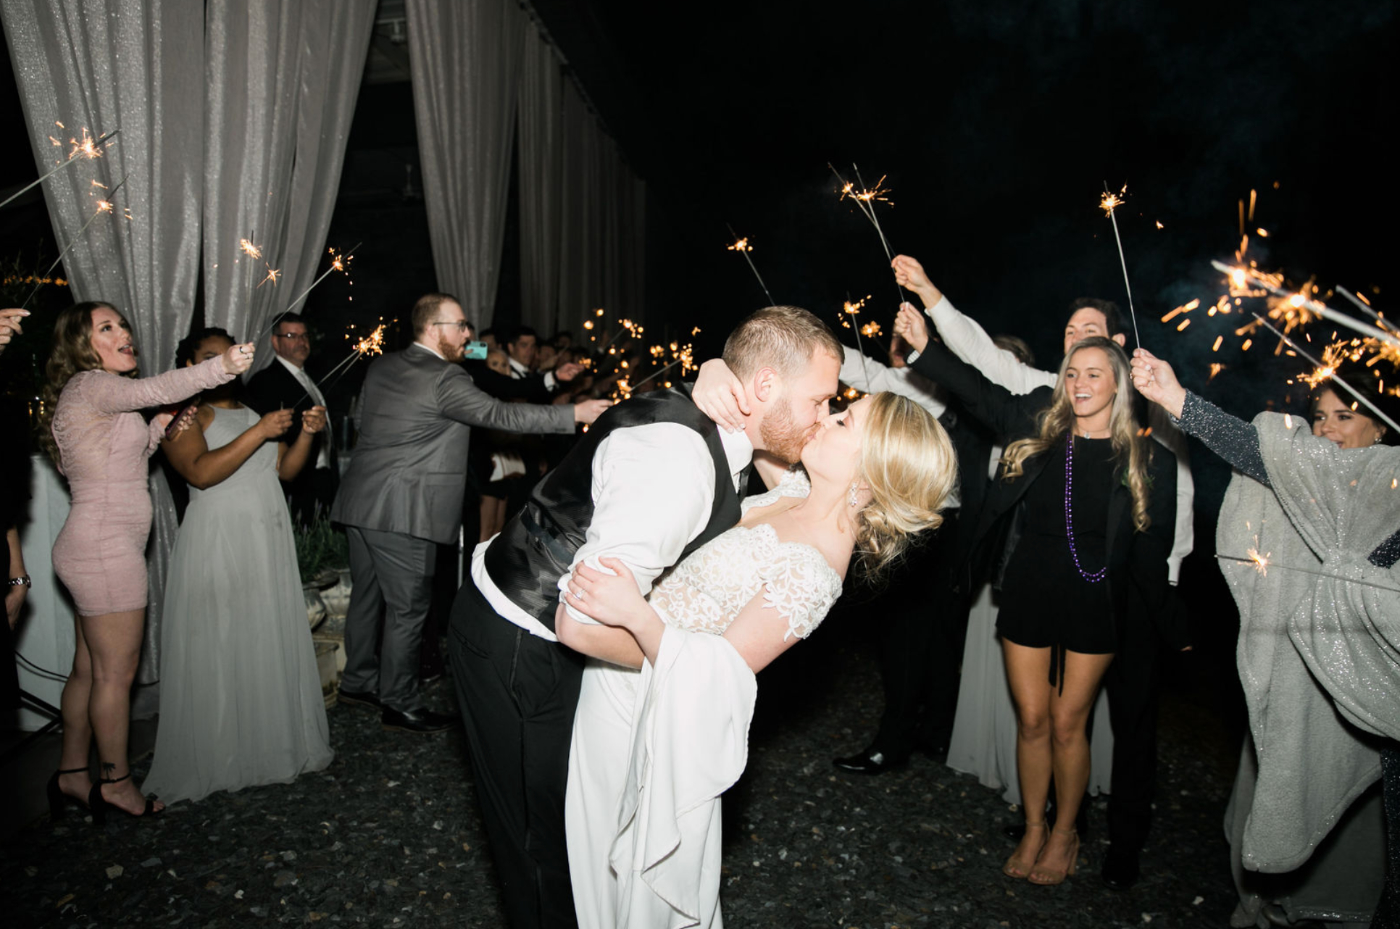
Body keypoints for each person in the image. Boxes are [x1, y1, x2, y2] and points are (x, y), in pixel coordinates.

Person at [449, 305, 843, 929]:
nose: (824, 416)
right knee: (542, 851)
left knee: (576, 845)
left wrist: (714, 366)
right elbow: (584, 621)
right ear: (764, 388)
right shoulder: (675, 463)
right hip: (524, 640)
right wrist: (687, 662)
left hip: (558, 640)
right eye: (820, 400)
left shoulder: (723, 431)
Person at [563, 391, 957, 928]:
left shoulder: (815, 571)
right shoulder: (797, 489)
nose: (825, 417)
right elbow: (760, 420)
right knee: (592, 862)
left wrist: (636, 615)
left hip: (652, 712)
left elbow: (721, 672)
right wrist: (720, 374)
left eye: (844, 422)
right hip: (617, 677)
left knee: (629, 884)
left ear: (869, 476)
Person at [893, 254, 1193, 889]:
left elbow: (1149, 555)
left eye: (1094, 372)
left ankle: (1067, 831)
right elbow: (979, 391)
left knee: (1067, 722)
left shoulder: (1147, 458)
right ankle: (1033, 825)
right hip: (1028, 587)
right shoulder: (1036, 417)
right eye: (1072, 371)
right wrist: (923, 350)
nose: (1080, 381)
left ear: (1118, 383)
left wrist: (1176, 626)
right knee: (1031, 719)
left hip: (1094, 600)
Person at [1130, 349, 1398, 929]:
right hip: (1301, 687)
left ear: (1381, 424)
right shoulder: (1318, 479)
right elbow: (1266, 455)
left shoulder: (1387, 483)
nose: (1325, 429)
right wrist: (1178, 401)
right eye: (1320, 416)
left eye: (1344, 416)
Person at [330, 293, 608, 734]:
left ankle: (358, 681)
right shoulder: (445, 377)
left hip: (359, 502)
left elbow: (363, 422)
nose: (468, 335)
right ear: (433, 329)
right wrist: (573, 413)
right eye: (460, 326)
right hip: (406, 509)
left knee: (366, 599)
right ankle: (398, 701)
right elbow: (498, 414)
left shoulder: (382, 365)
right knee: (407, 609)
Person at [39, 301, 253, 822]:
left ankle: (71, 774)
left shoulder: (88, 396)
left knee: (90, 670)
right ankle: (116, 783)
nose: (123, 335)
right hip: (105, 550)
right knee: (117, 674)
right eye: (105, 328)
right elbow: (151, 390)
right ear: (80, 344)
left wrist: (158, 426)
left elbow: (123, 455)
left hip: (90, 546)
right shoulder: (93, 385)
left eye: (123, 325)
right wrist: (220, 367)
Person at [142, 328, 333, 803]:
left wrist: (305, 435)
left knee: (258, 636)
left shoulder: (250, 412)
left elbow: (284, 471)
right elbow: (200, 473)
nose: (223, 362)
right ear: (190, 364)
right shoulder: (182, 415)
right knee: (220, 637)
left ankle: (264, 747)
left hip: (263, 537)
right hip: (218, 541)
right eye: (210, 356)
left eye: (227, 354)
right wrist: (261, 431)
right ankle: (220, 754)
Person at [246, 313, 337, 528]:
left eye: (304, 336)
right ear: (275, 342)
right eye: (292, 336)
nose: (301, 342)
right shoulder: (264, 382)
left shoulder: (313, 377)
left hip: (322, 479)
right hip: (293, 484)